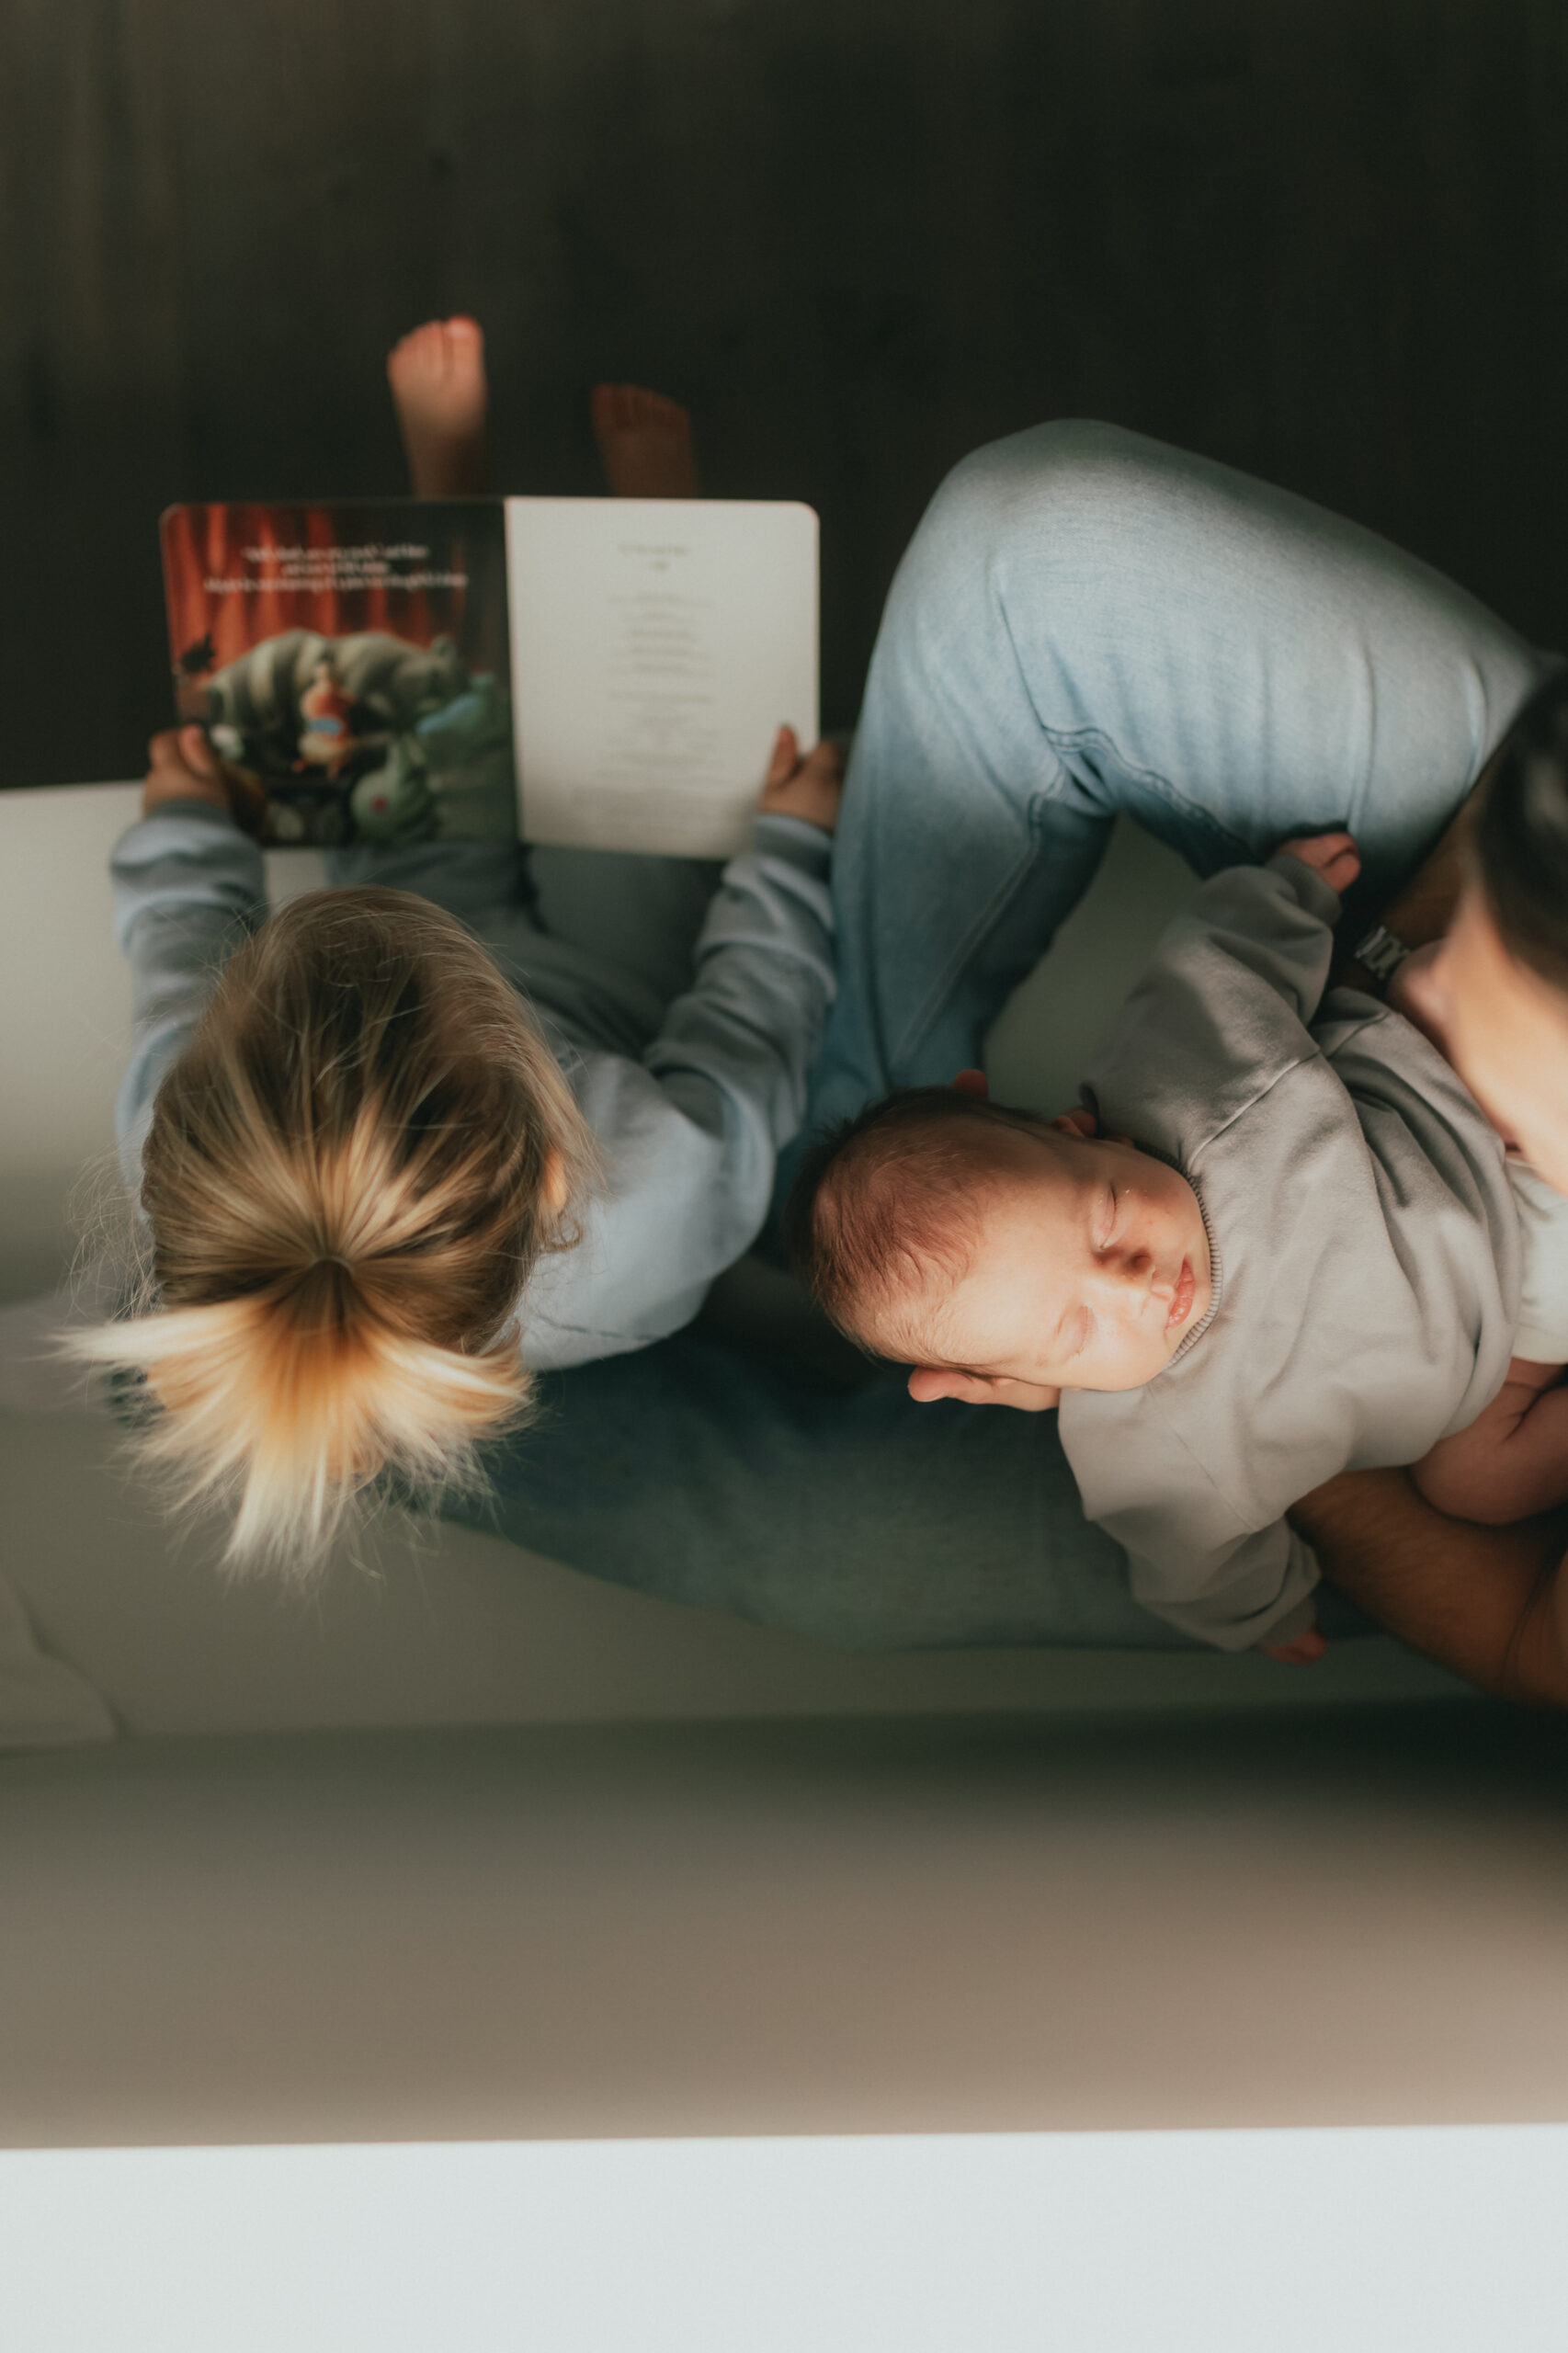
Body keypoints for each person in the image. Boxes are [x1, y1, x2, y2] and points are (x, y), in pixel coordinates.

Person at [62, 318, 844, 1575]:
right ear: (554, 1172)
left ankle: (453, 505)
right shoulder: (659, 1198)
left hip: (433, 942)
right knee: (638, 788)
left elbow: (177, 937)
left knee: (417, 786)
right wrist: (790, 852)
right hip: (620, 984)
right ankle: (658, 548)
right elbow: (746, 1016)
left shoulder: (197, 1128)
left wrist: (186, 828)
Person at [784, 827, 1524, 1657]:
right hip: (1502, 1356)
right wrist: (1267, 1614)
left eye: (1104, 1218)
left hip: (1487, 1149)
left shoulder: (1183, 1086)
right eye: (1073, 1331)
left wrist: (1287, 891)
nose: (1132, 1286)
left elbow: (1216, 963)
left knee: (1448, 994)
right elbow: (1194, 1566)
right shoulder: (1148, 1459)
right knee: (1476, 1487)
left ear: (1088, 1133)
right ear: (1024, 1382)